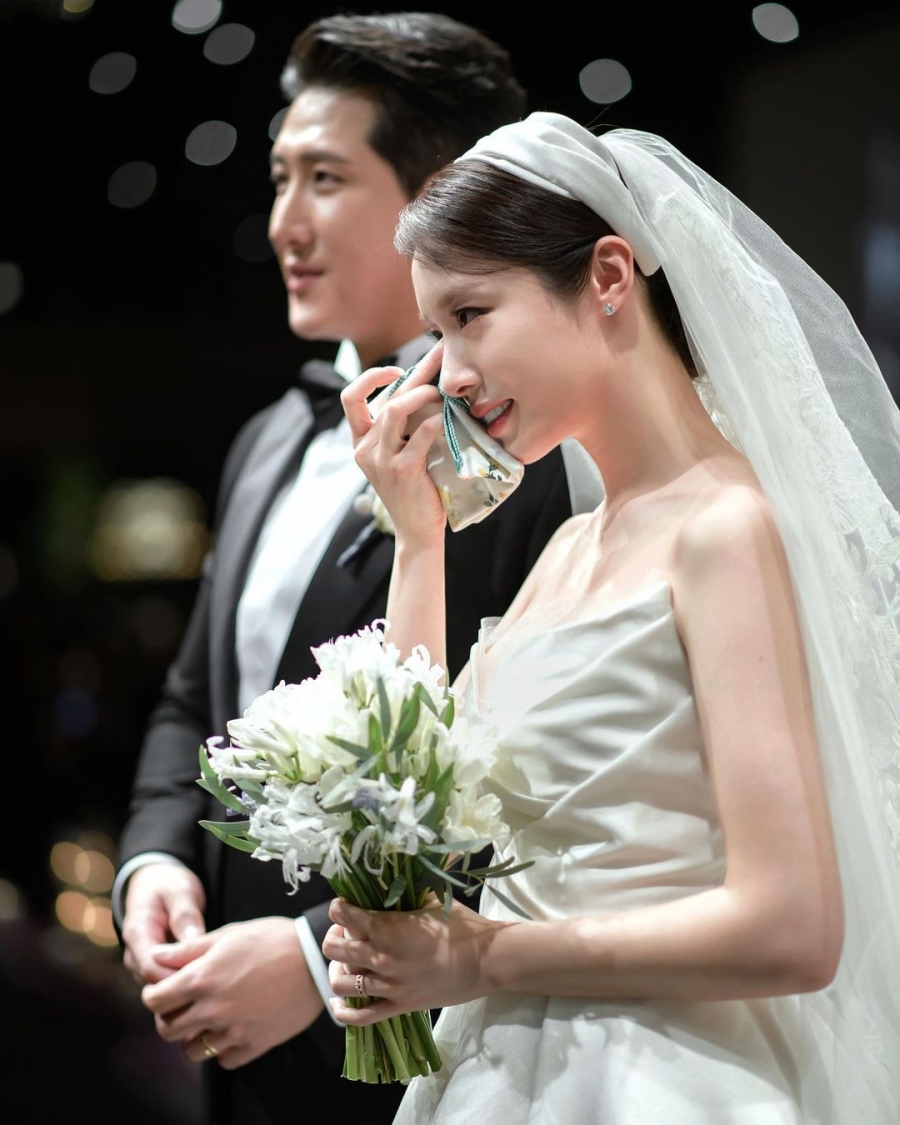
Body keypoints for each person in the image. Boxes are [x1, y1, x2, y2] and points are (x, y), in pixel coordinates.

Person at [324, 111, 900, 1122]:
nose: (448, 374)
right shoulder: (566, 548)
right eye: (436, 334)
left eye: (470, 314)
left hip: (662, 1080)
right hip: (499, 1073)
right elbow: (413, 810)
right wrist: (420, 540)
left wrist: (482, 956)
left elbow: (796, 928)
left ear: (605, 276)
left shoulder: (723, 530)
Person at [113, 20, 588, 1125]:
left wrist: (313, 959)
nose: (286, 221)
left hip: (438, 1057)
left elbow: (539, 787)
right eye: (279, 177)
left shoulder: (531, 461)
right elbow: (196, 699)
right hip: (235, 1057)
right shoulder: (266, 439)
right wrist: (156, 863)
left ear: (441, 194)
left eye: (325, 179)